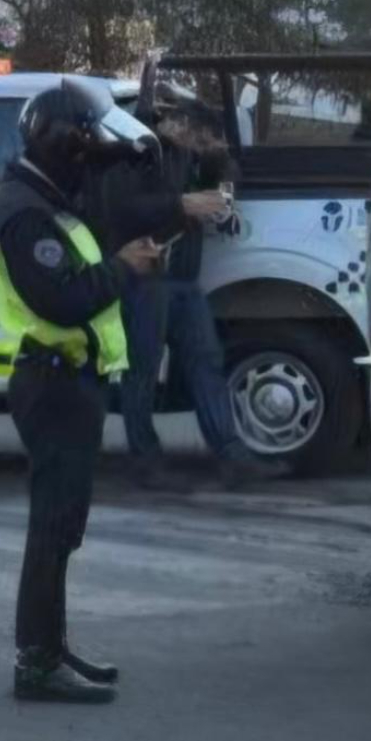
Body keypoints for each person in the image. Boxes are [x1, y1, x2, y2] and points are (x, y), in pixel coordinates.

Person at [0, 80, 163, 703]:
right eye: (83, 142)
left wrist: (132, 139)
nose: (91, 152)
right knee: (51, 528)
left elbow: (104, 185)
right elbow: (61, 300)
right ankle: (35, 663)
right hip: (53, 384)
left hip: (70, 382)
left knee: (62, 530)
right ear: (62, 145)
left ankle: (52, 649)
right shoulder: (26, 212)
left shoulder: (48, 195)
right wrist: (124, 268)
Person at [98, 107, 289, 490]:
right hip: (146, 277)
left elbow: (226, 165)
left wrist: (222, 190)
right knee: (143, 371)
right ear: (175, 125)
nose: (207, 146)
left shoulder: (188, 153)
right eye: (202, 138)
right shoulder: (136, 154)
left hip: (182, 278)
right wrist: (182, 205)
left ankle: (232, 455)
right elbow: (118, 208)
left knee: (206, 363)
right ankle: (145, 459)